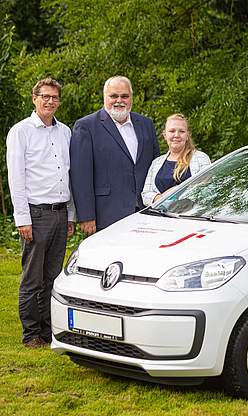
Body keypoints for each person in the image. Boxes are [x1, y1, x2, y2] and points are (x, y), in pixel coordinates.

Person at [6, 77, 76, 348]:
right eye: (45, 96)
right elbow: (17, 178)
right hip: (36, 214)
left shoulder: (65, 132)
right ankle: (31, 334)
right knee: (32, 278)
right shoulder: (21, 132)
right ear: (34, 98)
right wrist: (22, 218)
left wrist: (70, 214)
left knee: (53, 277)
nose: (50, 101)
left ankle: (49, 330)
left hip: (60, 214)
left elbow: (68, 175)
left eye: (54, 97)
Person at [70, 76, 160, 234]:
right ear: (104, 97)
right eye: (114, 96)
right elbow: (80, 176)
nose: (119, 100)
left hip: (145, 212)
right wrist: (86, 216)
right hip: (106, 214)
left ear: (131, 98)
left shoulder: (146, 125)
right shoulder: (86, 127)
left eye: (124, 96)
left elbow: (156, 167)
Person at [142, 113, 210, 205]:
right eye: (172, 131)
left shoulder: (201, 158)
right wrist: (162, 199)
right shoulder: (156, 163)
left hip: (190, 216)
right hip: (161, 216)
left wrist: (176, 192)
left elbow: (208, 190)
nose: (176, 135)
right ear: (165, 135)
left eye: (181, 131)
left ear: (187, 135)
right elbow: (145, 194)